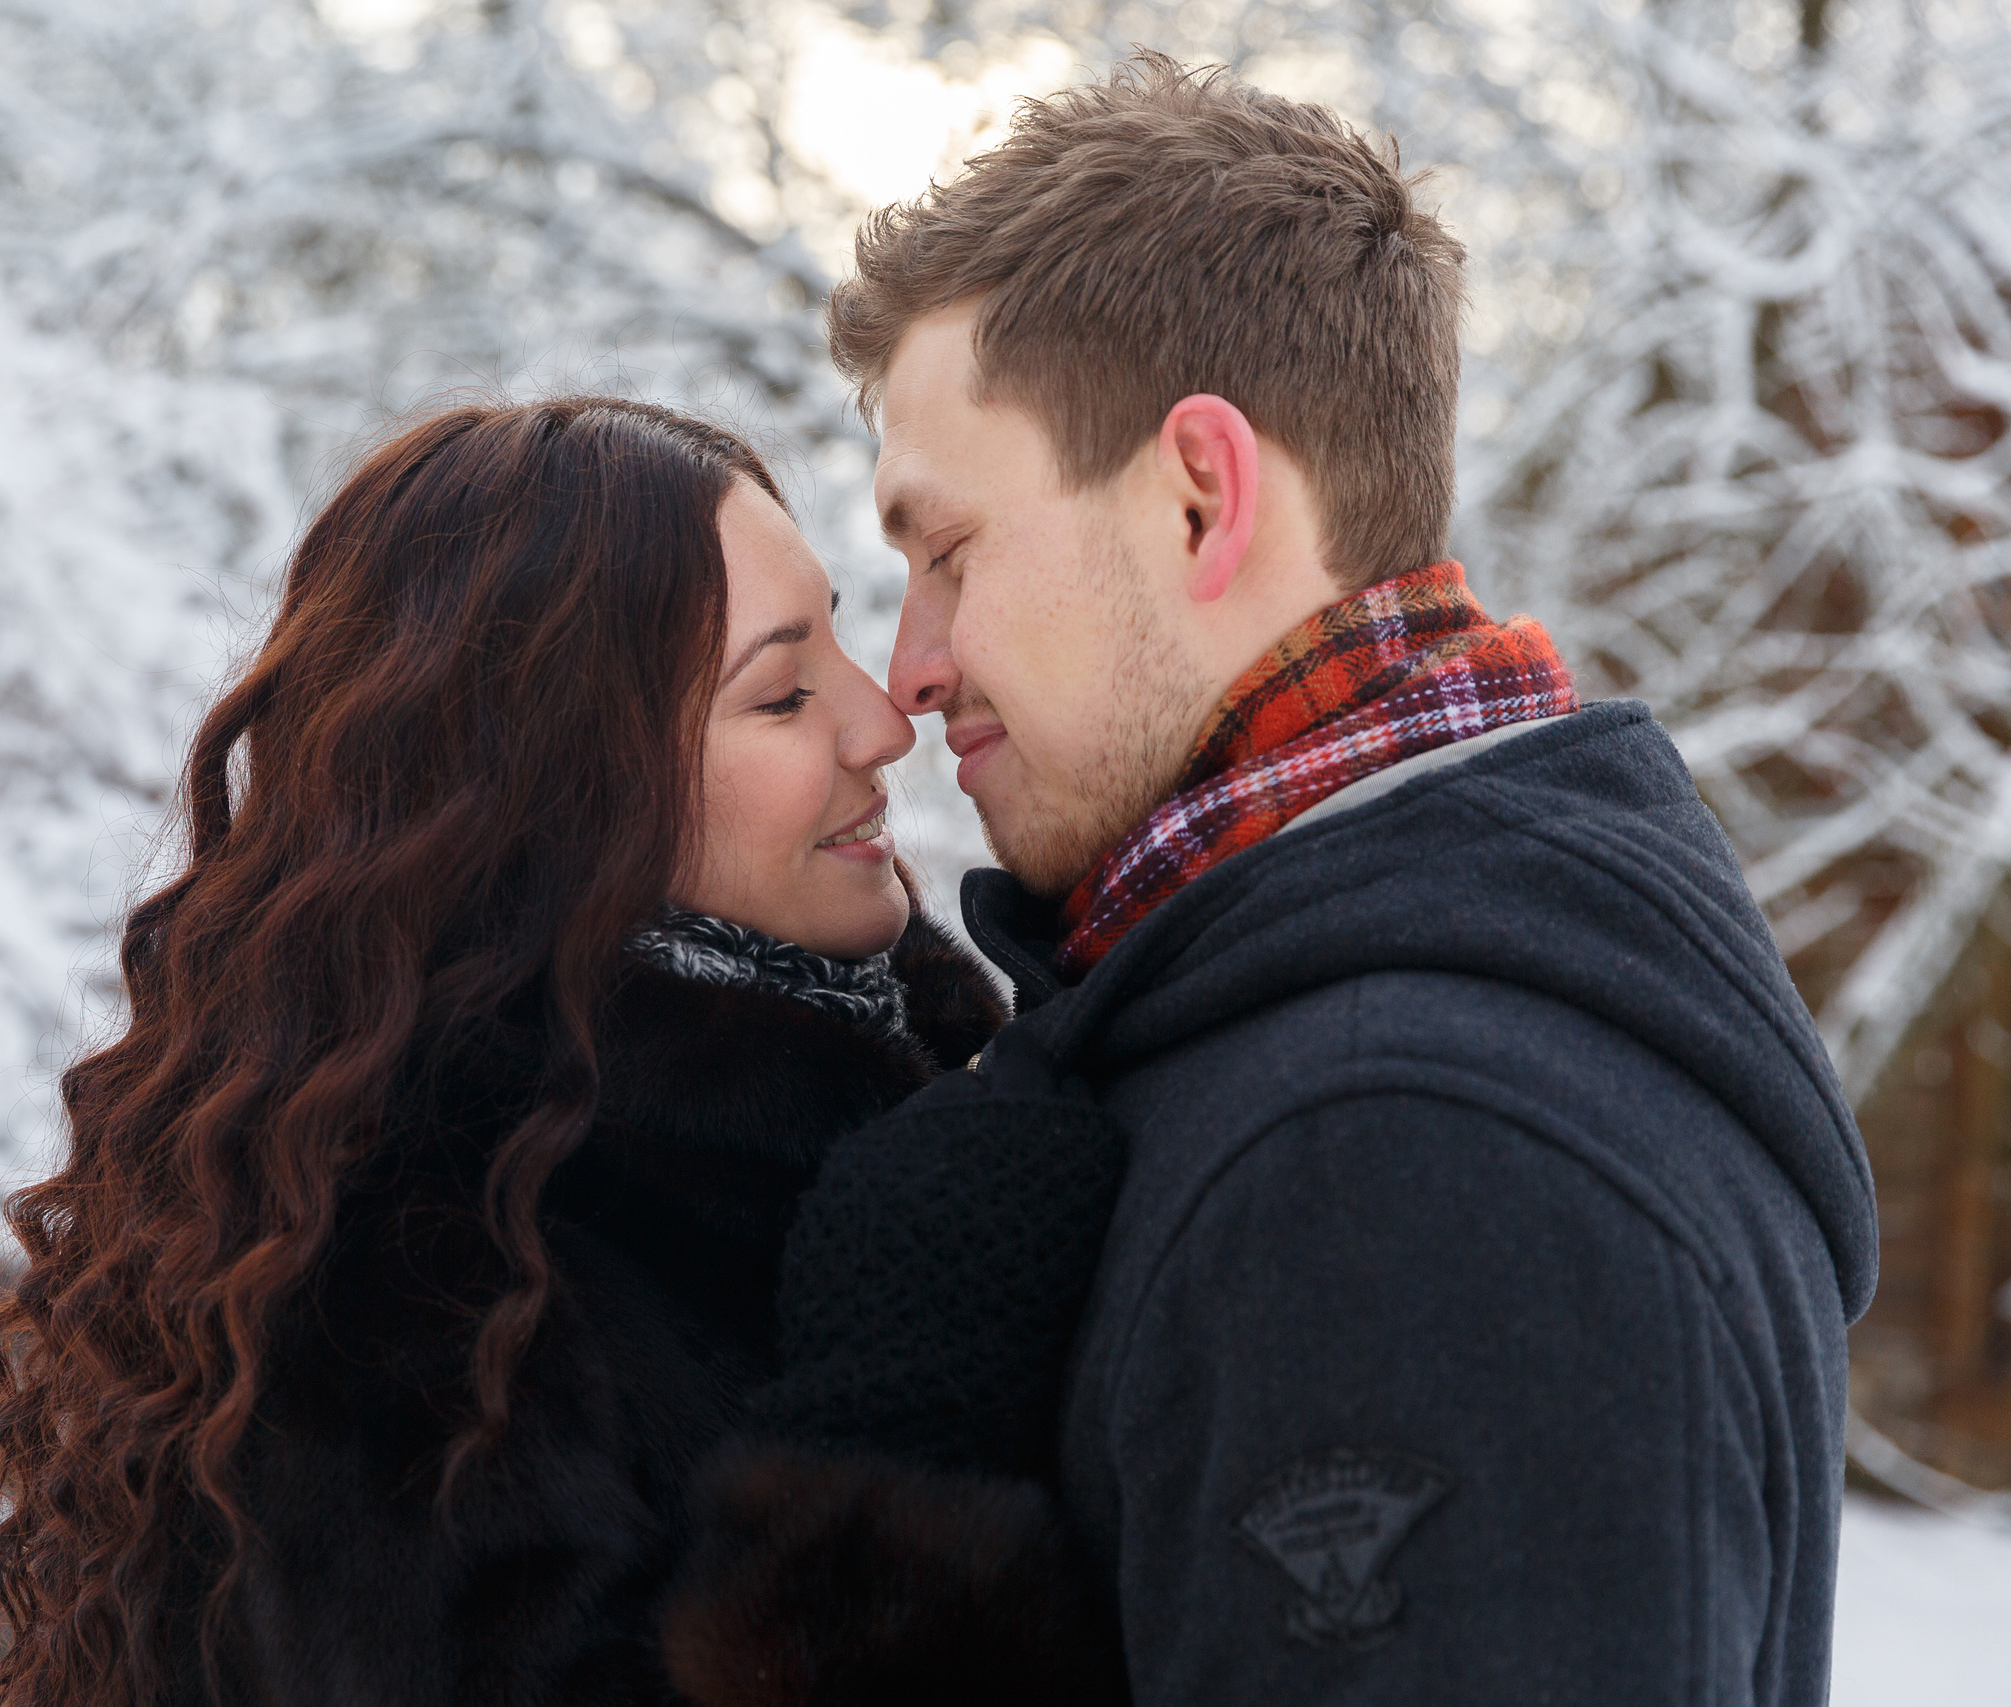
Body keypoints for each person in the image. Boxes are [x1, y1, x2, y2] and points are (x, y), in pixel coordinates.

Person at [690, 53, 1876, 1707]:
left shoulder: (1416, 1156)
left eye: (946, 552)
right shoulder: (1364, 1009)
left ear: (1200, 496)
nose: (916, 669)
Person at [0, 398, 1042, 1707]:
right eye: (782, 692)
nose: (883, 723)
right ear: (574, 798)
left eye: (842, 646)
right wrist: (905, 1424)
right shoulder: (416, 1285)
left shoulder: (919, 1094)